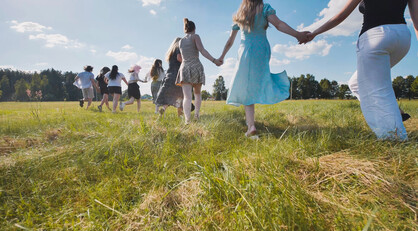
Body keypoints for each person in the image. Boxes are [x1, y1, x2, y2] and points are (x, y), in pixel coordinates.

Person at [305, 0, 418, 140]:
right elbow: (417, 22)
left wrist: (315, 32)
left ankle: (395, 139)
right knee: (355, 83)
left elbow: (341, 16)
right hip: (402, 38)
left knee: (380, 90)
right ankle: (397, 113)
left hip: (375, 37)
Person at [217, 0, 309, 137]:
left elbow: (230, 41)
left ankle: (251, 126)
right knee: (261, 79)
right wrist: (297, 34)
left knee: (247, 86)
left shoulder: (240, 14)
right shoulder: (265, 8)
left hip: (245, 50)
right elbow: (279, 24)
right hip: (261, 49)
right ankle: (252, 124)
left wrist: (222, 56)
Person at [176, 18, 222, 124]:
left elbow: (180, 56)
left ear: (185, 29)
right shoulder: (195, 37)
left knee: (187, 96)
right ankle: (196, 115)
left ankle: (187, 120)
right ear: (194, 28)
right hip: (196, 66)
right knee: (197, 94)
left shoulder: (180, 41)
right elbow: (202, 50)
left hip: (184, 67)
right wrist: (214, 60)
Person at [155, 38, 184, 117]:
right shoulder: (178, 48)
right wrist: (187, 61)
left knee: (169, 96)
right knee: (180, 95)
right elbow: (179, 58)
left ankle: (163, 109)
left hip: (169, 75)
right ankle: (180, 116)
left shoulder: (170, 51)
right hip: (177, 76)